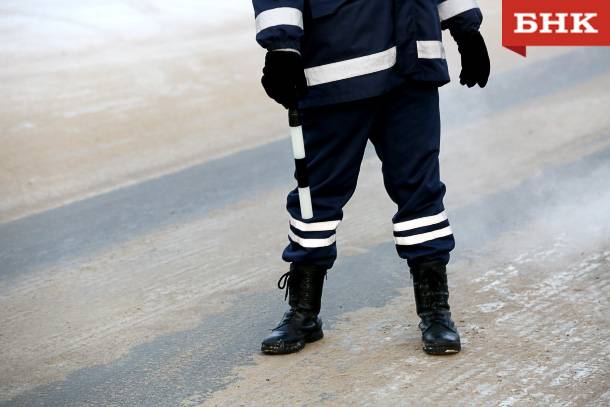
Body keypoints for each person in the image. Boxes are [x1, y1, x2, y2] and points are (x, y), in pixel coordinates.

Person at [252, 0, 490, 355]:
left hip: (413, 64)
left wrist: (465, 27)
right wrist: (282, 45)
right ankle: (303, 312)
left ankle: (436, 312)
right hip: (339, 64)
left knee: (421, 192)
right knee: (317, 193)